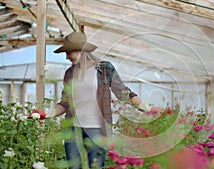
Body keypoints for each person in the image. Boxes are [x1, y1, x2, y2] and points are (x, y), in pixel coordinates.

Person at [48, 32, 150, 168]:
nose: (67, 57)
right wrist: (48, 113)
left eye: (69, 52)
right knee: (73, 167)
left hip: (97, 130)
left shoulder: (104, 68)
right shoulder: (69, 73)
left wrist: (143, 106)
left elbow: (122, 91)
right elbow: (65, 103)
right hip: (73, 130)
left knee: (96, 166)